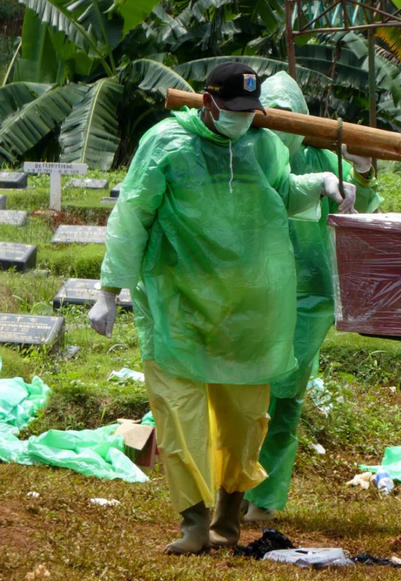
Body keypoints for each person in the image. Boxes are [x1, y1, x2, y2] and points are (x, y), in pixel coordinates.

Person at [88, 62, 355, 555]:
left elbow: (282, 193)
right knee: (179, 411)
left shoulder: (263, 143)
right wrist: (110, 289)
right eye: (233, 110)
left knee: (244, 418)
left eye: (251, 111)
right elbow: (133, 213)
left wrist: (319, 182)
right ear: (208, 103)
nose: (243, 119)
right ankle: (193, 524)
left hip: (248, 308)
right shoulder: (167, 144)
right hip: (178, 305)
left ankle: (228, 520)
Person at [242, 71, 383, 522]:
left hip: (308, 296)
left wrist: (360, 168)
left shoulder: (321, 158)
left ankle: (263, 498)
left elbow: (365, 203)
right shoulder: (245, 152)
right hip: (250, 291)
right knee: (241, 391)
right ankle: (232, 485)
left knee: (284, 394)